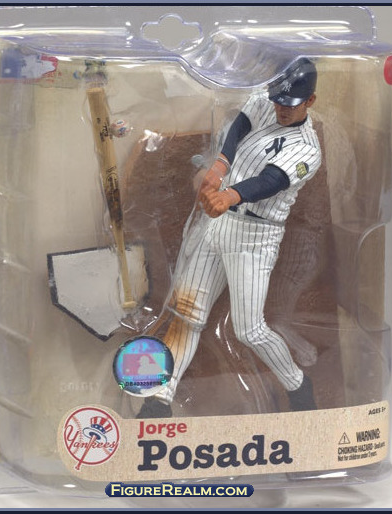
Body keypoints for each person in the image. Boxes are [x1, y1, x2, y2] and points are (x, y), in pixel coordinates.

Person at [137, 58, 322, 419]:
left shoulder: (308, 148)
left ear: (310, 101)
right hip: (217, 223)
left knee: (249, 330)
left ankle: (298, 385)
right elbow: (242, 123)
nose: (282, 108)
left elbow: (270, 181)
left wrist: (229, 195)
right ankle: (159, 398)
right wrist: (220, 164)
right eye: (278, 101)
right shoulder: (269, 100)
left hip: (255, 236)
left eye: (291, 103)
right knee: (186, 313)